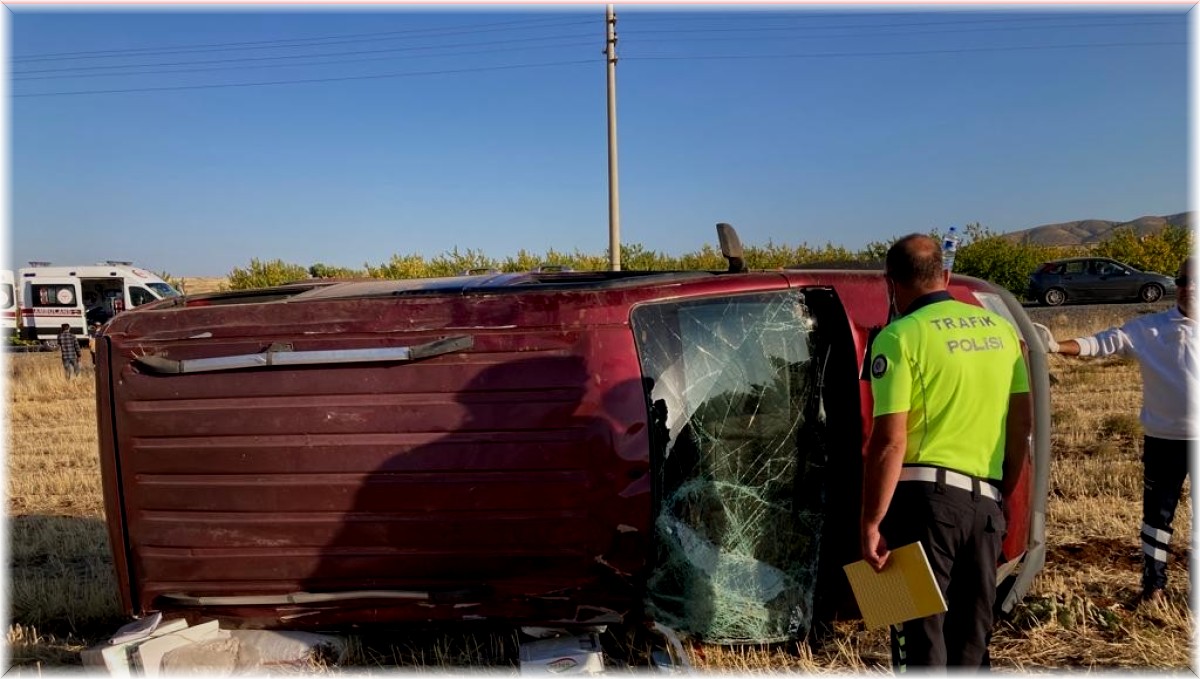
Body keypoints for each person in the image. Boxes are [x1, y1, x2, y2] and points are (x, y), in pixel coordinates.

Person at [862, 234, 1032, 669]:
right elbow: (1021, 426)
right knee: (972, 640)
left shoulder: (898, 338)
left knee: (916, 638)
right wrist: (1002, 495)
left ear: (890, 282)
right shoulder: (1002, 331)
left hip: (920, 505)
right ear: (947, 275)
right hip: (986, 504)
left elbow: (890, 441)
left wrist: (872, 520)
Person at [1033, 256, 1195, 605]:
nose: (1189, 288)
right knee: (1157, 518)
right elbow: (1104, 342)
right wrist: (1057, 346)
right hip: (1163, 439)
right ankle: (1153, 587)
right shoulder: (1149, 329)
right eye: (1183, 280)